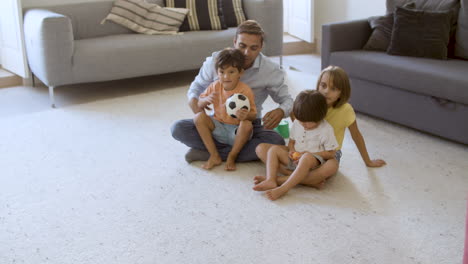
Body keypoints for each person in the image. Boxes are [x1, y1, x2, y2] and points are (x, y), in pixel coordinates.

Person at [171, 20, 293, 163]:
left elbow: (288, 101)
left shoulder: (271, 70)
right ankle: (230, 152)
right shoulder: (216, 61)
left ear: (261, 47)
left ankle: (209, 152)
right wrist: (196, 105)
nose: (247, 53)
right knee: (178, 128)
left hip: (248, 124)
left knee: (276, 140)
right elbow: (196, 87)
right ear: (234, 42)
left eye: (253, 48)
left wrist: (281, 111)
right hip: (217, 121)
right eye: (242, 46)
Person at [254, 65, 386, 190]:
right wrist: (294, 146)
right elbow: (296, 117)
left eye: (333, 89)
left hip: (327, 154)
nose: (326, 91)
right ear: (318, 85)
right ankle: (306, 179)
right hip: (299, 150)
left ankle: (282, 179)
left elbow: (356, 135)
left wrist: (368, 161)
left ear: (342, 92)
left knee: (331, 166)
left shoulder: (346, 110)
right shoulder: (310, 100)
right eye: (323, 86)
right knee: (261, 149)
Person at [253, 90, 338, 200]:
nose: (303, 124)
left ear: (320, 116)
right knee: (268, 149)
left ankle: (283, 186)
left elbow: (331, 153)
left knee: (331, 165)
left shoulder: (326, 129)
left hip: (313, 163)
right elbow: (292, 142)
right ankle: (271, 179)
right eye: (301, 120)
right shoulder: (298, 122)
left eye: (307, 122)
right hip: (294, 159)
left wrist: (309, 154)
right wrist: (291, 150)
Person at [195, 48, 257, 171]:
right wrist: (205, 99)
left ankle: (232, 155)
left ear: (240, 72)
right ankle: (214, 155)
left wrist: (245, 115)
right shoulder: (215, 86)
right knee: (198, 118)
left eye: (231, 72)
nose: (225, 76)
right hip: (218, 128)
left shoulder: (245, 90)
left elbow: (253, 115)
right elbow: (199, 104)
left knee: (247, 125)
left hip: (236, 132)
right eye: (221, 72)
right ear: (217, 72)